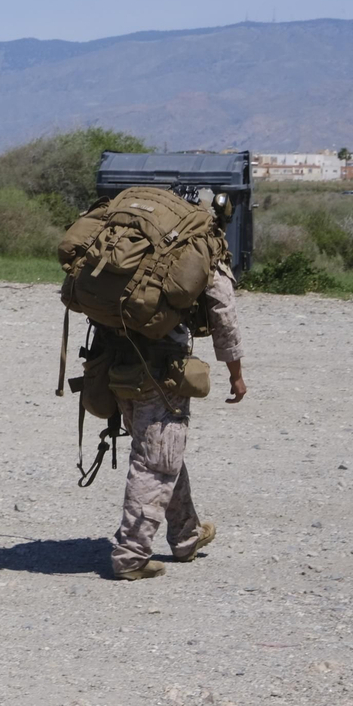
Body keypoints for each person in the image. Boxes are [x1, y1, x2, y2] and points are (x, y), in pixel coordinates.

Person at [109, 191, 246, 581]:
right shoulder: (200, 244)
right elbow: (223, 312)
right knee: (155, 460)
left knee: (161, 449)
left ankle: (186, 536)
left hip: (116, 359)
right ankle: (131, 555)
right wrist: (235, 372)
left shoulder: (144, 238)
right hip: (159, 368)